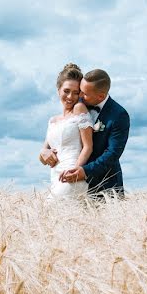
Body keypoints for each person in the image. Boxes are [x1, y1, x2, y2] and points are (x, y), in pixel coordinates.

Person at [40, 67, 130, 198]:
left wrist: (82, 171)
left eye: (82, 93)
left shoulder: (118, 115)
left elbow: (112, 154)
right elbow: (47, 148)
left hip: (104, 187)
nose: (79, 96)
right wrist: (44, 152)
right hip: (59, 175)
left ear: (101, 96)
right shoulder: (76, 104)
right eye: (80, 91)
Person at [39, 63, 93, 200]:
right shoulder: (53, 120)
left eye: (76, 92)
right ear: (58, 90)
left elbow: (88, 147)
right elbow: (43, 153)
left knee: (50, 212)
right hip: (54, 177)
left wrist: (76, 170)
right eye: (66, 91)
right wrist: (43, 152)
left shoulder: (80, 109)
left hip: (71, 174)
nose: (70, 97)